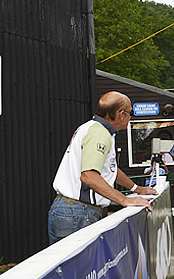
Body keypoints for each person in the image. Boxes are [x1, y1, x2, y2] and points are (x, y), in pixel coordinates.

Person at [48, 91, 156, 245]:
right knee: (82, 268)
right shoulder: (100, 133)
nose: (131, 117)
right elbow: (89, 176)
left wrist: (137, 189)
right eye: (130, 112)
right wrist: (124, 200)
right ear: (121, 114)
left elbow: (109, 168)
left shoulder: (93, 128)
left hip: (70, 210)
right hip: (78, 212)